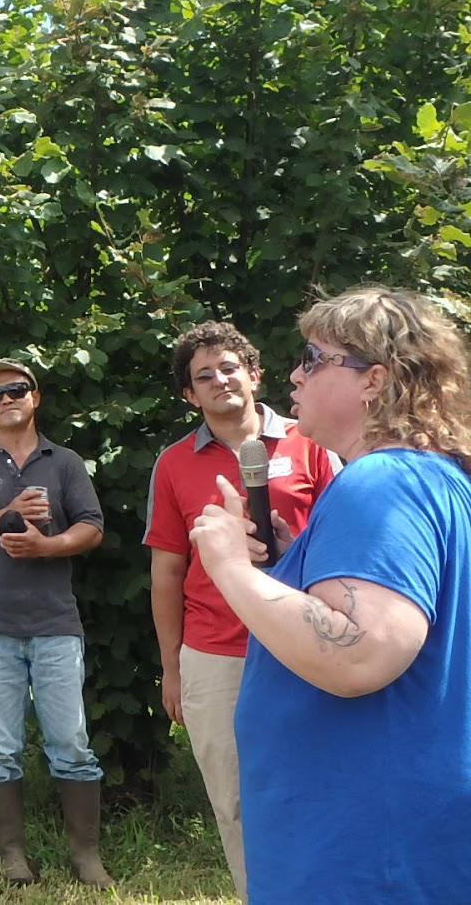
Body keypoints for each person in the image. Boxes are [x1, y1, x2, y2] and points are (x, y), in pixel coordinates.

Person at [190, 287, 471, 902]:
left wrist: (230, 566)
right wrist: (295, 561)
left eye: (314, 359)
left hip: (363, 852)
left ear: (375, 380)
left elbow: (360, 655)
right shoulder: (433, 478)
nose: (293, 374)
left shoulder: (383, 481)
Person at [144, 322, 337, 898]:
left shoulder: (313, 443)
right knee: (233, 799)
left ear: (254, 375)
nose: (219, 380)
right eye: (203, 376)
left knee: (321, 786)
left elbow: (345, 542)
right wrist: (173, 668)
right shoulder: (173, 463)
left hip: (306, 644)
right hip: (214, 654)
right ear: (189, 395)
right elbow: (167, 572)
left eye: (229, 368)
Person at [0, 358, 113, 888]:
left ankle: (85, 855)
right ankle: (13, 855)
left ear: (35, 397)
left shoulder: (65, 463)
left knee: (72, 743)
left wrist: (48, 546)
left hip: (56, 622)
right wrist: (5, 515)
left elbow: (93, 527)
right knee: (0, 746)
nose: (6, 399)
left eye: (16, 389)